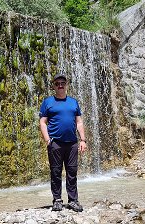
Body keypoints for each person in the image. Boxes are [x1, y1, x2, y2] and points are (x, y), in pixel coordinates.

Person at [39, 73, 87, 212]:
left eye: (62, 83)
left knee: (72, 172)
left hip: (72, 143)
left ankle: (73, 200)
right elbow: (43, 122)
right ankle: (57, 200)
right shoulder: (47, 102)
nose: (60, 85)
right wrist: (48, 140)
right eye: (57, 83)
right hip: (56, 143)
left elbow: (79, 122)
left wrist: (83, 140)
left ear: (66, 85)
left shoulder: (73, 102)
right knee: (56, 172)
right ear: (54, 86)